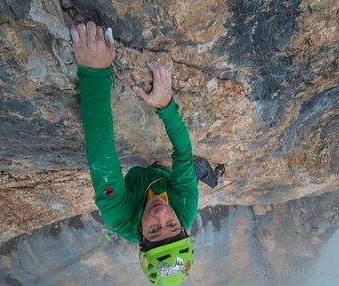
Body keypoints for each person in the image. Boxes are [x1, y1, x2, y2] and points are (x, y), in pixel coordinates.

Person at [69, 21, 223, 285]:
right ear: (184, 227)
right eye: (172, 226)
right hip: (166, 175)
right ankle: (214, 176)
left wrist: (94, 73)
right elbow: (182, 153)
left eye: (154, 229)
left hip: (153, 176)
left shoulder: (120, 218)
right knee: (198, 167)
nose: (163, 214)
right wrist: (165, 105)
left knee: (192, 169)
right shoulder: (185, 208)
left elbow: (102, 157)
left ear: (141, 240)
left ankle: (213, 175)